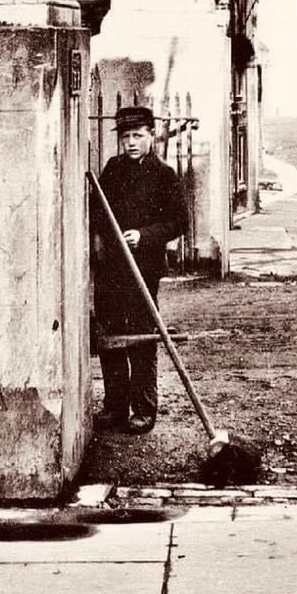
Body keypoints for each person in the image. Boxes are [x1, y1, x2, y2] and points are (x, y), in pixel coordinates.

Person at [91, 105, 186, 434]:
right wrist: (106, 235)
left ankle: (144, 409)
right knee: (111, 337)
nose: (131, 142)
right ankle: (115, 407)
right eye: (126, 137)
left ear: (151, 136)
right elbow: (96, 209)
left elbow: (178, 221)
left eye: (138, 136)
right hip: (111, 268)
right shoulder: (113, 169)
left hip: (143, 269)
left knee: (142, 337)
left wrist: (144, 235)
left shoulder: (164, 175)